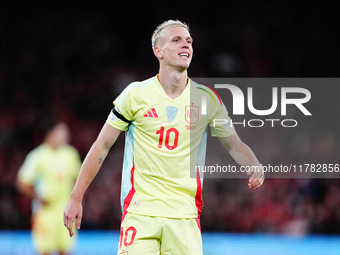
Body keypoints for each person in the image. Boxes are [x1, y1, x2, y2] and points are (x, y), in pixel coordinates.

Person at [63, 20, 264, 255]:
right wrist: (76, 197)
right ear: (158, 51)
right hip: (140, 213)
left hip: (184, 216)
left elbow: (234, 144)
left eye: (188, 41)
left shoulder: (207, 99)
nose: (185, 45)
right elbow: (102, 146)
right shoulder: (135, 95)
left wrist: (254, 164)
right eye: (176, 40)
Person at [17, 119, 81, 255]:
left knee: (66, 250)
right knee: (44, 251)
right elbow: (22, 182)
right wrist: (39, 197)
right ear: (50, 133)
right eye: (61, 131)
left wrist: (78, 200)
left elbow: (79, 179)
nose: (66, 135)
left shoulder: (70, 154)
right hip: (45, 213)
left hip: (66, 211)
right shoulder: (37, 156)